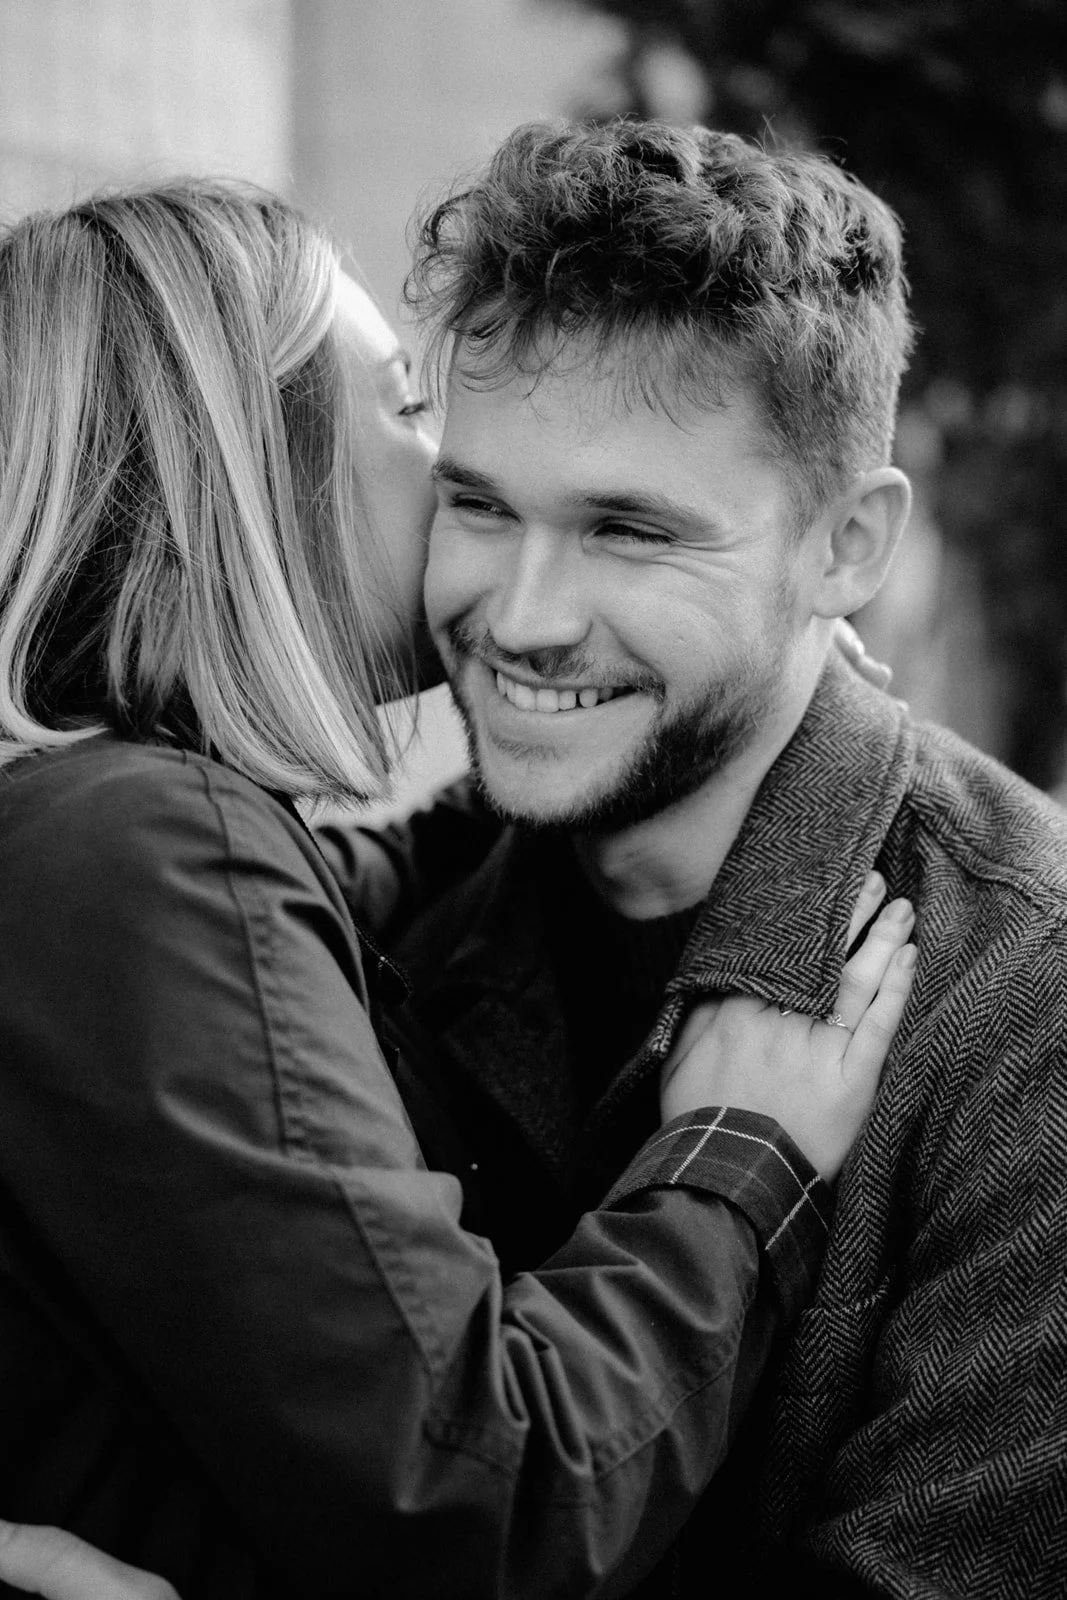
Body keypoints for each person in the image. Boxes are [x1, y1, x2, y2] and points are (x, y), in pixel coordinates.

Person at [0, 179, 915, 1600]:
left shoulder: (100, 829)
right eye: (410, 419)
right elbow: (487, 1499)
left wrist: (736, 657)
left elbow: (345, 904)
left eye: (629, 529)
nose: (442, 477)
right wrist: (732, 1160)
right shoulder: (138, 848)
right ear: (255, 470)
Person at [338, 120, 1063, 1596]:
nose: (522, 616)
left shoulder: (1025, 1009)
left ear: (843, 549)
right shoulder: (393, 925)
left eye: (629, 531)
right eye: (478, 503)